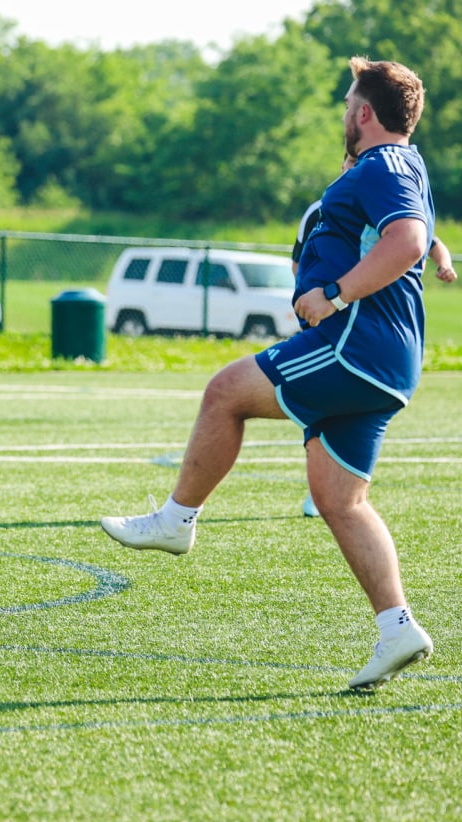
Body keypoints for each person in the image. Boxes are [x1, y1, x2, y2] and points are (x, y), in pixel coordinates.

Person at [101, 57, 436, 690]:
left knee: (225, 392)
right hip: (382, 360)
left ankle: (176, 520)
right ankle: (398, 628)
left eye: (347, 103)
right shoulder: (401, 166)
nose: (343, 113)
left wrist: (333, 294)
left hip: (354, 347)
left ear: (364, 113)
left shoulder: (385, 165)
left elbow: (409, 241)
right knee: (340, 500)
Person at [293, 157, 456, 519]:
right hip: (324, 318)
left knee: (232, 394)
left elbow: (426, 241)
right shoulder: (319, 211)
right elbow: (300, 258)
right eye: (350, 163)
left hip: (365, 324)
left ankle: (331, 493)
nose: (355, 169)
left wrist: (444, 264)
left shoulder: (386, 203)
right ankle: (327, 491)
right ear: (341, 168)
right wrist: (310, 290)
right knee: (310, 407)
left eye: (359, 163)